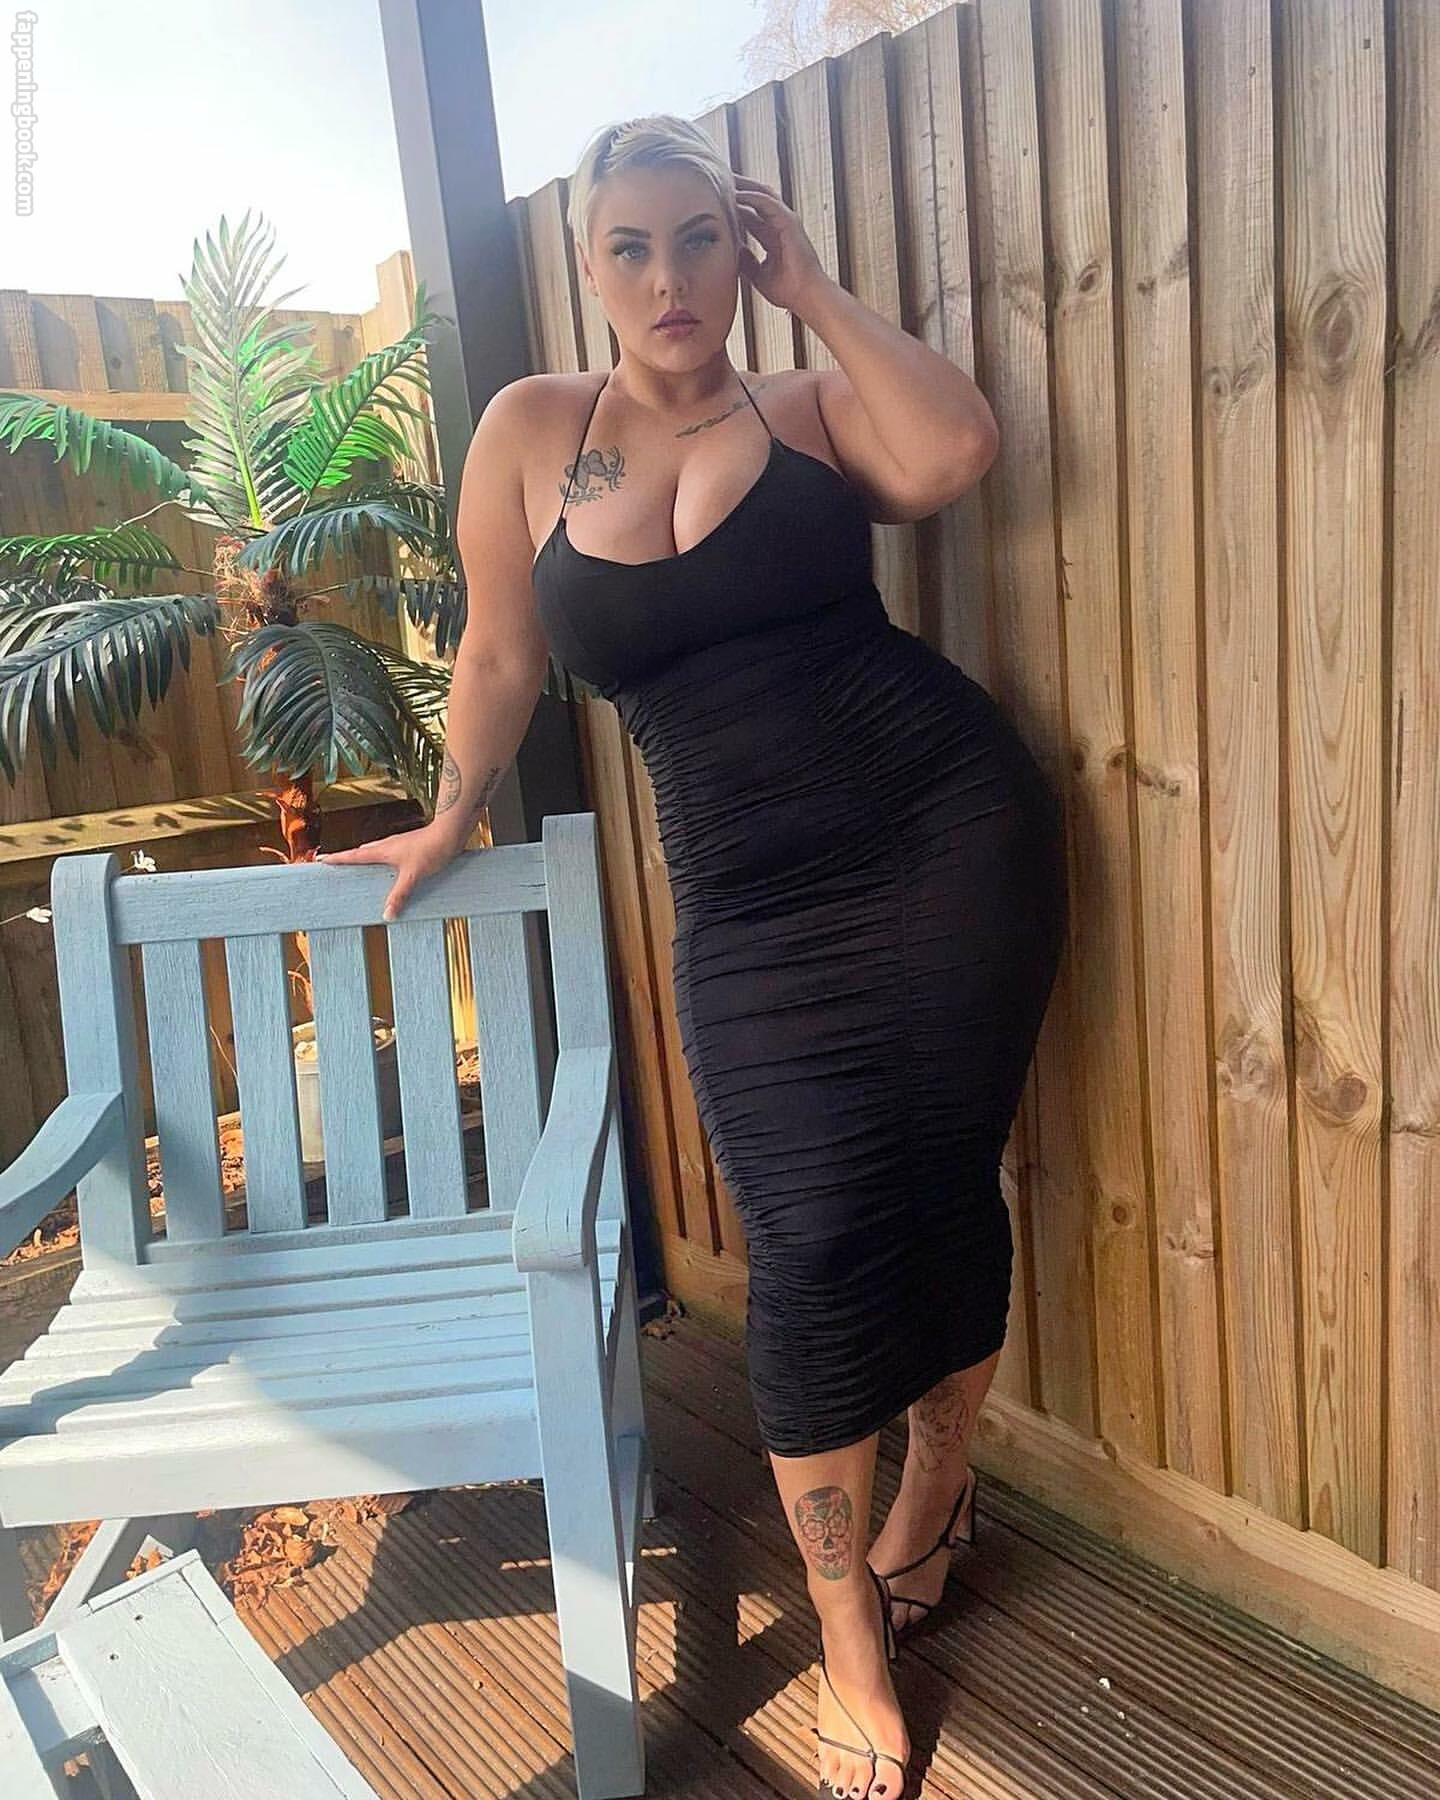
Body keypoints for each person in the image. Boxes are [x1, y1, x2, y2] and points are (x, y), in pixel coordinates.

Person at [323, 113, 1067, 1800]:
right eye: (632, 248)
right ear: (589, 267)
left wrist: (819, 293)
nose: (671, 277)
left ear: (742, 250)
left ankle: (934, 1493)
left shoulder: (804, 409)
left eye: (701, 241)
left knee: (946, 1183)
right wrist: (448, 816)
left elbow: (956, 450)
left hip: (945, 831)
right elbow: (501, 654)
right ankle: (849, 1628)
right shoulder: (530, 433)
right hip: (747, 900)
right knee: (808, 1237)